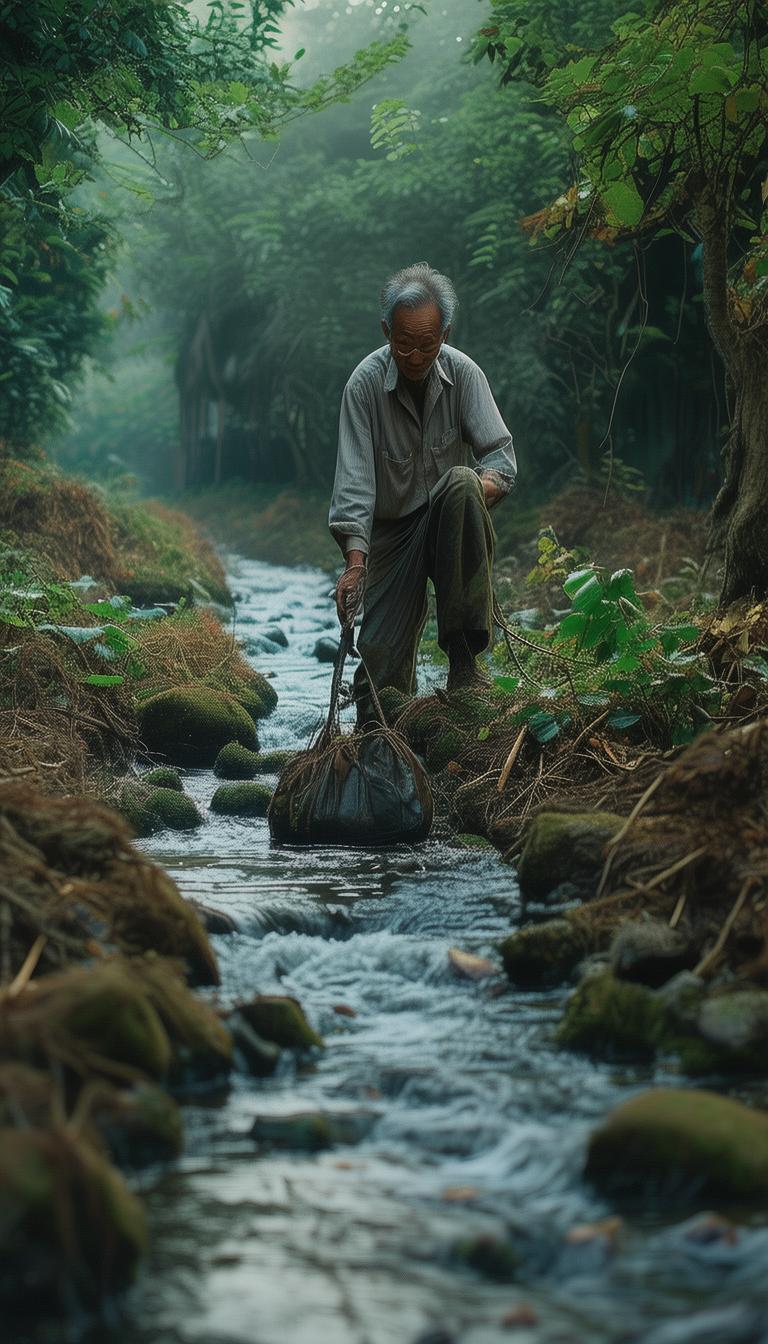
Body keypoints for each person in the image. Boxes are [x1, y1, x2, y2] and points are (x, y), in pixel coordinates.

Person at [329, 261, 516, 722]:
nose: (414, 355)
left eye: (427, 344)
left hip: (450, 520)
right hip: (391, 538)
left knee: (459, 482)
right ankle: (390, 729)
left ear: (445, 335)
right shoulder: (363, 386)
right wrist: (355, 565)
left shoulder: (465, 375)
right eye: (403, 342)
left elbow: (502, 461)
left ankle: (464, 664)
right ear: (385, 331)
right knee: (379, 696)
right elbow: (354, 484)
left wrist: (473, 489)